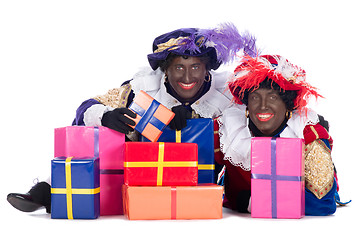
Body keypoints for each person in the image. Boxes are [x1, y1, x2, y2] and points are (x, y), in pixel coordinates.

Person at [7, 23, 257, 213]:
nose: (187, 76)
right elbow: (85, 109)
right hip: (149, 175)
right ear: (165, 71)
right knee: (105, 137)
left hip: (208, 180)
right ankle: (47, 191)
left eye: (195, 67)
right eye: (179, 67)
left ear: (206, 69)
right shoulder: (141, 90)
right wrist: (107, 117)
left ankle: (256, 200)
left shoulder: (229, 92)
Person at [215, 54, 344, 216]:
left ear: (288, 104)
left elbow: (322, 203)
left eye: (273, 97)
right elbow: (200, 177)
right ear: (247, 105)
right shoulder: (229, 129)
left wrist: (247, 201)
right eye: (255, 97)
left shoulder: (308, 134)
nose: (263, 106)